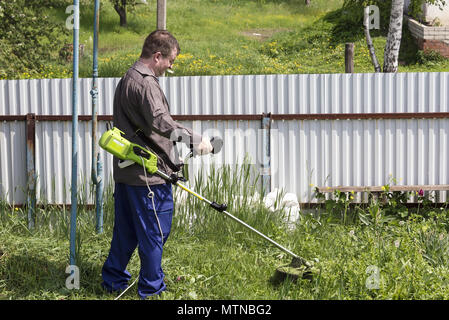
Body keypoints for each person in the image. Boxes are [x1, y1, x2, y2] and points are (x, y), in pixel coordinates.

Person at [101, 30, 213, 299]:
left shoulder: (128, 78)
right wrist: (195, 140)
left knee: (126, 232)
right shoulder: (146, 83)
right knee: (154, 232)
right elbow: (161, 122)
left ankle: (113, 280)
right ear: (158, 56)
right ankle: (151, 289)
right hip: (148, 175)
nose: (171, 66)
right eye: (171, 60)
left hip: (127, 172)